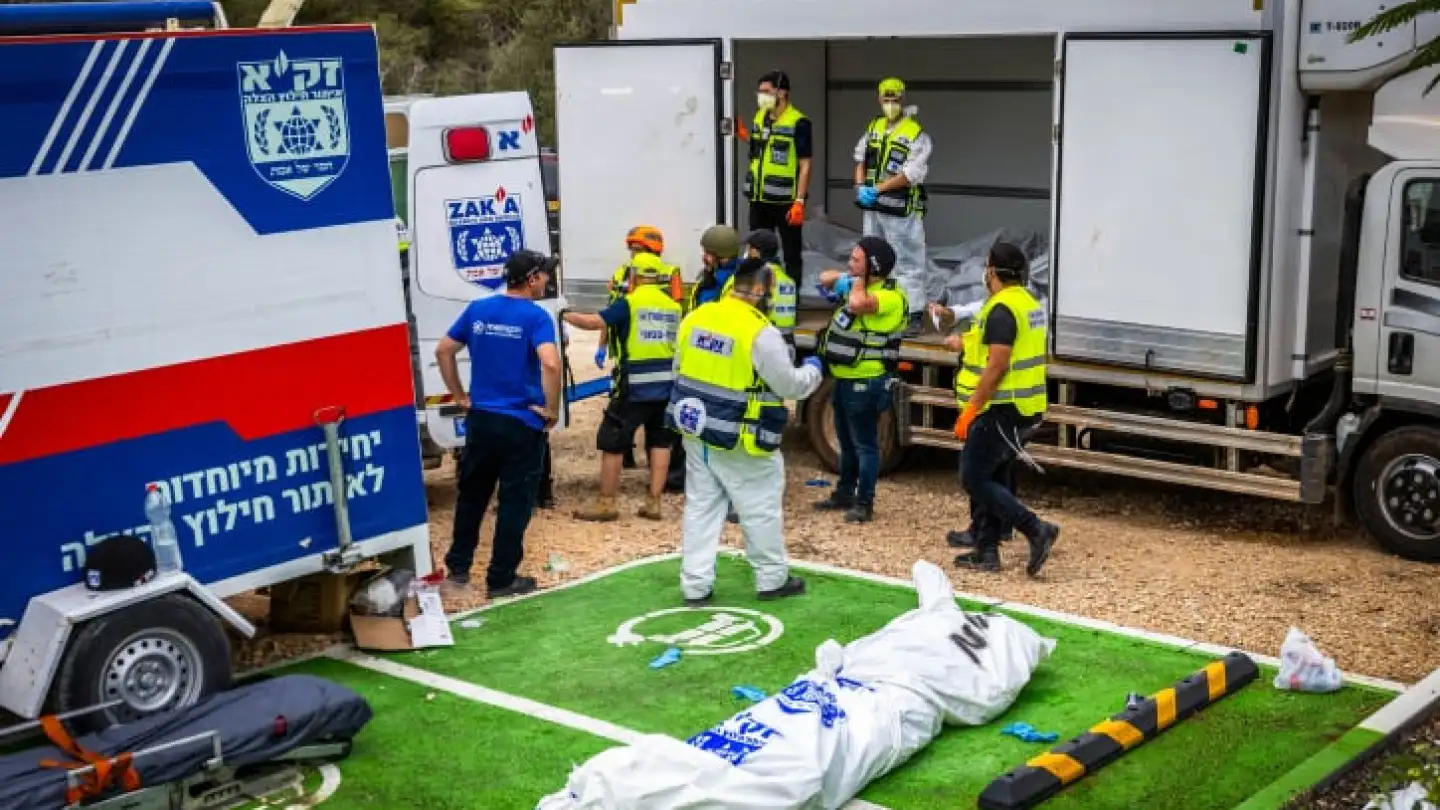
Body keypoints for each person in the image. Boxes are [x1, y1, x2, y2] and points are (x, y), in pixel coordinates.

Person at [668, 257, 823, 605]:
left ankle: (695, 586)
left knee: (701, 508)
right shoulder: (760, 332)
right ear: (757, 290)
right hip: (742, 436)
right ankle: (771, 579)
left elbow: (679, 366)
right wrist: (815, 368)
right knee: (760, 506)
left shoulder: (696, 317)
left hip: (696, 429)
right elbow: (790, 385)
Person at [434, 250, 561, 599]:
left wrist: (460, 396)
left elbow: (444, 350)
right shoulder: (536, 317)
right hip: (520, 422)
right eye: (544, 275)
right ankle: (501, 578)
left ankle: (458, 570)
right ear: (532, 278)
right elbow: (550, 364)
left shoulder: (478, 310)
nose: (547, 281)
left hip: (482, 419)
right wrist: (551, 409)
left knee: (472, 496)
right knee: (514, 502)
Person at [951, 242, 1059, 576]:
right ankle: (986, 551)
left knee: (974, 477)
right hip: (1026, 406)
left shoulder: (1001, 309)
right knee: (994, 475)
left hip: (1002, 408)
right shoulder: (1028, 303)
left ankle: (1036, 528)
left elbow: (996, 365)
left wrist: (971, 410)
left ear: (993, 271)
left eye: (987, 267)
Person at [563, 253, 682, 522]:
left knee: (613, 440)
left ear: (634, 276)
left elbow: (595, 322)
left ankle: (607, 503)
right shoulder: (673, 306)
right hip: (666, 386)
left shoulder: (629, 302)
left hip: (634, 386)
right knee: (660, 441)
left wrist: (564, 314)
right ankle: (654, 503)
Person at [811, 237, 907, 523]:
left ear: (873, 268)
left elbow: (856, 304)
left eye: (856, 260)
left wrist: (855, 282)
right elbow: (825, 278)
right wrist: (850, 276)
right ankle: (843, 493)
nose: (849, 264)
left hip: (867, 381)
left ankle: (864, 502)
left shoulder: (890, 297)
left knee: (866, 445)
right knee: (846, 441)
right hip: (844, 379)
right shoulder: (859, 282)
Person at [853, 77, 932, 338]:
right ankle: (875, 306)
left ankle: (914, 314)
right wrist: (860, 186)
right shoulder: (874, 127)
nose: (890, 104)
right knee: (871, 256)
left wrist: (877, 189)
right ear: (878, 99)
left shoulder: (915, 134)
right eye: (885, 99)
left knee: (908, 261)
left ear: (902, 99)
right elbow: (860, 158)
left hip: (901, 210)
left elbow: (911, 173)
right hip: (874, 208)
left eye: (894, 99)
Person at [669, 225, 743, 494]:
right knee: (688, 418)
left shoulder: (732, 283)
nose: (703, 257)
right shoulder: (709, 278)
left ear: (721, 255)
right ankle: (682, 476)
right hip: (698, 358)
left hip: (715, 362)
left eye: (708, 253)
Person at [602, 225, 680, 470]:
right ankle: (626, 454)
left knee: (650, 413)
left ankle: (652, 461)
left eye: (636, 249)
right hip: (627, 350)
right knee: (626, 406)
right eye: (631, 249)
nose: (632, 254)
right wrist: (602, 346)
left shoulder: (670, 273)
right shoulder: (621, 273)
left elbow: (678, 313)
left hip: (656, 352)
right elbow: (610, 310)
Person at [743, 71, 812, 280]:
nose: (761, 96)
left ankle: (791, 300)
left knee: (791, 253)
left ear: (782, 92)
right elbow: (762, 149)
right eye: (760, 91)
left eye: (766, 91)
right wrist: (743, 134)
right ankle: (760, 294)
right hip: (759, 200)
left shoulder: (799, 122)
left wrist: (799, 201)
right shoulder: (760, 117)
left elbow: (805, 164)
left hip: (786, 203)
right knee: (757, 250)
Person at [724, 229, 798, 350]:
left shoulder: (748, 277)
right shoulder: (788, 281)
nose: (746, 253)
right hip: (786, 343)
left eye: (748, 249)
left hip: (760, 343)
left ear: (755, 251)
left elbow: (727, 306)